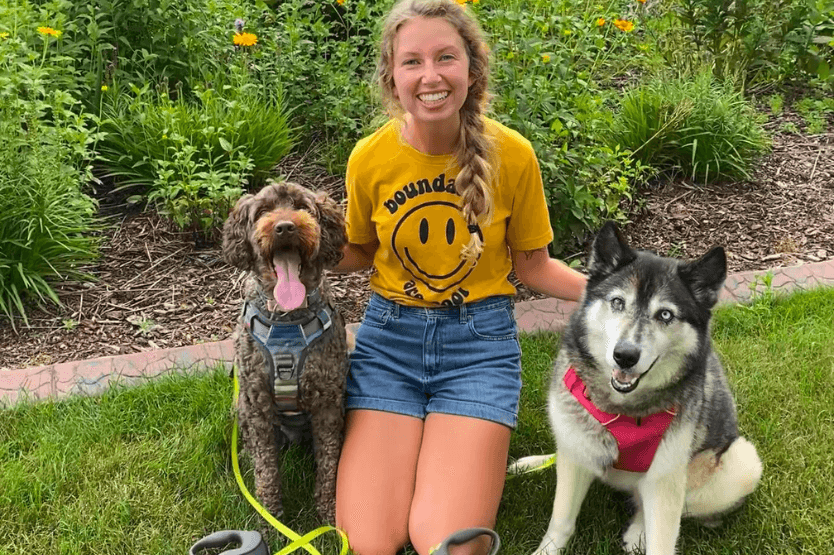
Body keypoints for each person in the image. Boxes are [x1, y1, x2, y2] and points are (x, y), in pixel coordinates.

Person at [331, 1, 587, 554]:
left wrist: (614, 296)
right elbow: (358, 251)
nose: (430, 76)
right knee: (368, 543)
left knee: (448, 544)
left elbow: (533, 266)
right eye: (412, 61)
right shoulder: (369, 158)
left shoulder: (512, 156)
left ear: (471, 70)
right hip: (387, 346)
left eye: (446, 57)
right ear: (391, 78)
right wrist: (299, 250)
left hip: (479, 349)